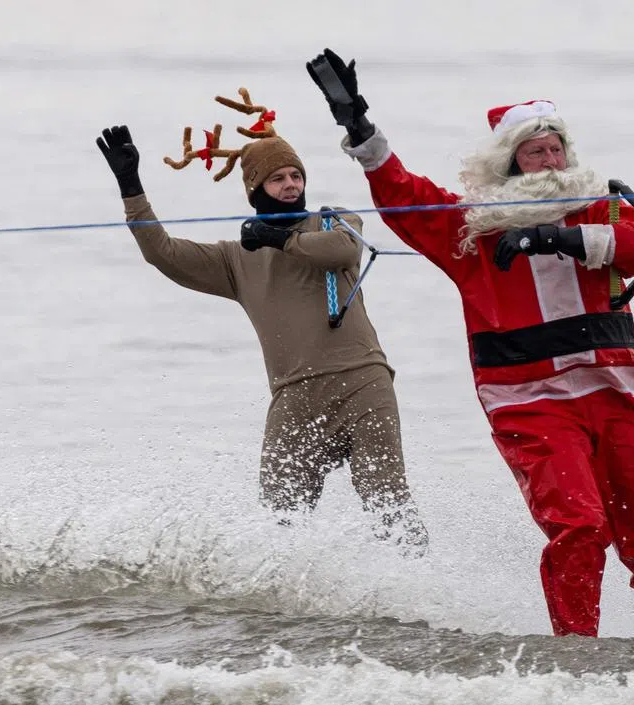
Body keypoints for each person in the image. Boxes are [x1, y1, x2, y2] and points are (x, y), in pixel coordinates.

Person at [306, 49, 634, 643]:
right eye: (534, 151)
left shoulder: (599, 205)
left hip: (616, 398)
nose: (549, 160)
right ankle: (575, 661)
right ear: (510, 162)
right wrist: (359, 127)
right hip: (531, 403)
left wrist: (554, 235)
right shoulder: (470, 229)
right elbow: (403, 196)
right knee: (580, 529)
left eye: (555, 148)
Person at [94, 91, 428, 557]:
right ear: (255, 189)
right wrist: (132, 188)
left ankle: (418, 593)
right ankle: (285, 616)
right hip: (294, 397)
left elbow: (341, 253)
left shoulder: (334, 221)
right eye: (277, 179)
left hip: (363, 385)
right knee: (279, 523)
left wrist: (278, 238)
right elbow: (163, 255)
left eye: (296, 175)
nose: (291, 184)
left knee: (387, 505)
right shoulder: (236, 258)